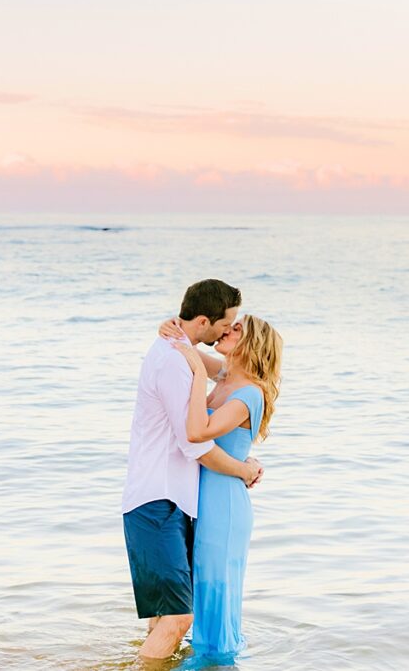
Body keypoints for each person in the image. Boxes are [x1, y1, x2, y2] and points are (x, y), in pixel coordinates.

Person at [121, 279, 264, 661]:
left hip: (173, 499)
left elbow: (225, 376)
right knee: (179, 618)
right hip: (159, 499)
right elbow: (195, 443)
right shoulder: (176, 361)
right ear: (203, 321)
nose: (227, 330)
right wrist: (244, 470)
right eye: (225, 323)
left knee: (164, 616)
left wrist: (178, 334)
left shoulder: (182, 353)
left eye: (235, 327)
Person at [162, 313, 283, 661]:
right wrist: (170, 329)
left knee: (217, 586)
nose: (227, 330)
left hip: (224, 503)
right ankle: (204, 656)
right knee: (202, 585)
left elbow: (198, 431)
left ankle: (215, 661)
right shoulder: (227, 376)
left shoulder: (249, 393)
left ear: (252, 344)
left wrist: (198, 375)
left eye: (237, 329)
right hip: (204, 498)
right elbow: (183, 345)